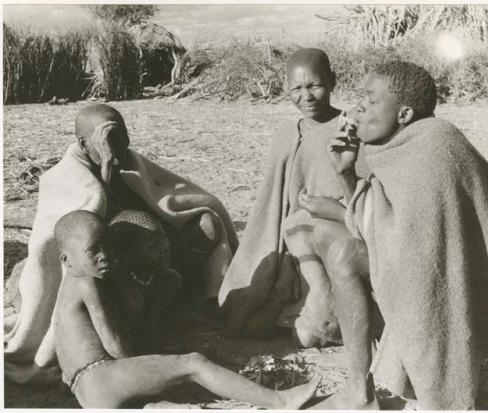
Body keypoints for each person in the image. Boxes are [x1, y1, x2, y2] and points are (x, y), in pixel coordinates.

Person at [300, 61, 488, 409]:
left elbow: (413, 246)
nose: (358, 107)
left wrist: (332, 207)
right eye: (360, 97)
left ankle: (362, 391)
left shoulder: (436, 146)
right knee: (328, 236)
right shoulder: (400, 145)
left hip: (458, 293)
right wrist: (345, 172)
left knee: (339, 247)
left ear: (404, 113)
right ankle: (360, 390)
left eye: (371, 100)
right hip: (417, 268)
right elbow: (385, 223)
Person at [5, 103, 238, 385]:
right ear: (83, 143)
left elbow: (169, 197)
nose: (122, 145)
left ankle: (186, 301)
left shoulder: (131, 161)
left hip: (150, 250)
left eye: (124, 135)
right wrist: (105, 169)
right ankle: (140, 325)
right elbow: (83, 240)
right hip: (113, 263)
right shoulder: (62, 178)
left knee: (208, 224)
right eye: (110, 138)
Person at [53, 210, 318, 409]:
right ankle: (279, 401)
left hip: (88, 387)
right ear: (67, 260)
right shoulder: (86, 283)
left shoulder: (77, 284)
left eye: (107, 247)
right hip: (101, 378)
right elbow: (113, 344)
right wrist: (149, 368)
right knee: (193, 364)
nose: (104, 255)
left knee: (178, 372)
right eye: (93, 250)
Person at [218, 48, 369, 347]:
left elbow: (361, 198)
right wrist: (286, 263)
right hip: (290, 248)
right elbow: (277, 207)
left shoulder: (350, 130)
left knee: (307, 336)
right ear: (286, 89)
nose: (307, 96)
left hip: (333, 246)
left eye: (314, 85)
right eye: (296, 89)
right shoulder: (287, 134)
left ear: (333, 81)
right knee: (244, 319)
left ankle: (320, 310)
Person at [106, 210, 183, 347]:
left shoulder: (154, 270)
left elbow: (159, 290)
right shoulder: (121, 282)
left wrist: (153, 327)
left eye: (164, 237)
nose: (165, 246)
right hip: (127, 332)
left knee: (173, 279)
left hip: (146, 321)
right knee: (132, 300)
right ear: (130, 256)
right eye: (154, 245)